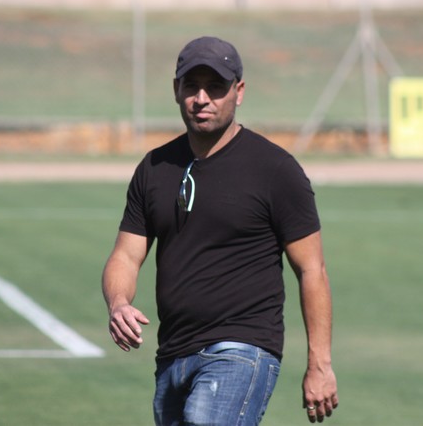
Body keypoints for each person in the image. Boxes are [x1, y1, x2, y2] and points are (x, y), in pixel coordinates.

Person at [101, 36, 338, 425]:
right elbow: (126, 255)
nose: (201, 98)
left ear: (238, 92)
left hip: (242, 349)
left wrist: (320, 364)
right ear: (176, 90)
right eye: (191, 86)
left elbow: (312, 269)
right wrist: (118, 303)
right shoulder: (154, 168)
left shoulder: (275, 170)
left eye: (215, 87)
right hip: (173, 354)